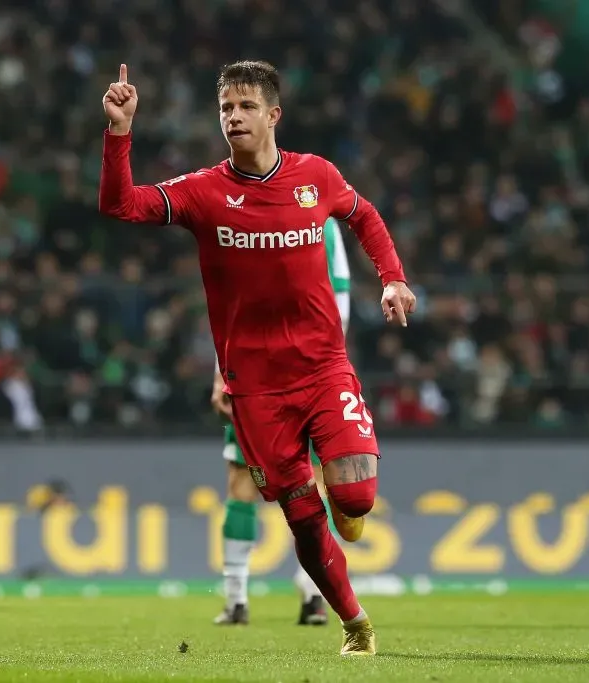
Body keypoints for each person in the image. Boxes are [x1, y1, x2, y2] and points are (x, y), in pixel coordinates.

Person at [98, 61, 416, 656]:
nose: (234, 117)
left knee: (354, 500)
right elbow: (122, 206)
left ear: (273, 115)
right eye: (225, 109)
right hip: (256, 390)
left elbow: (364, 215)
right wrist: (120, 132)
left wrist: (393, 279)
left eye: (245, 107)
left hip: (323, 369)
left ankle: (346, 507)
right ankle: (356, 624)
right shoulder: (202, 192)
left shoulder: (314, 176)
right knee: (301, 515)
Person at [212, 217, 352, 627]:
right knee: (276, 478)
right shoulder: (240, 215)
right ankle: (270, 596)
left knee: (283, 478)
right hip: (267, 370)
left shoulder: (309, 219)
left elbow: (338, 295)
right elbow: (226, 302)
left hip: (293, 373)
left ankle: (288, 594)